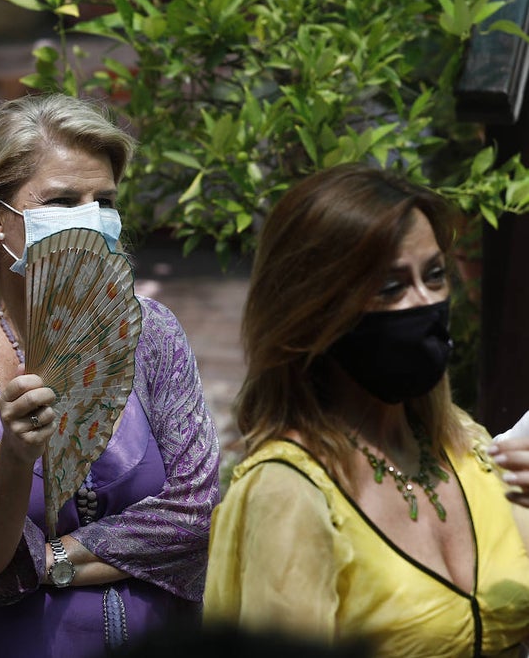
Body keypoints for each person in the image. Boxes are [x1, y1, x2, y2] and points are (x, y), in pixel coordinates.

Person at [0, 93, 221, 657]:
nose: (91, 218)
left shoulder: (151, 332)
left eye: (104, 201)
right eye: (62, 200)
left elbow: (197, 512)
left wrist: (49, 559)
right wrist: (13, 456)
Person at [203, 164, 529, 655]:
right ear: (316, 311)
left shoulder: (466, 445)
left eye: (434, 275)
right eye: (390, 287)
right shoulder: (290, 492)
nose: (426, 303)